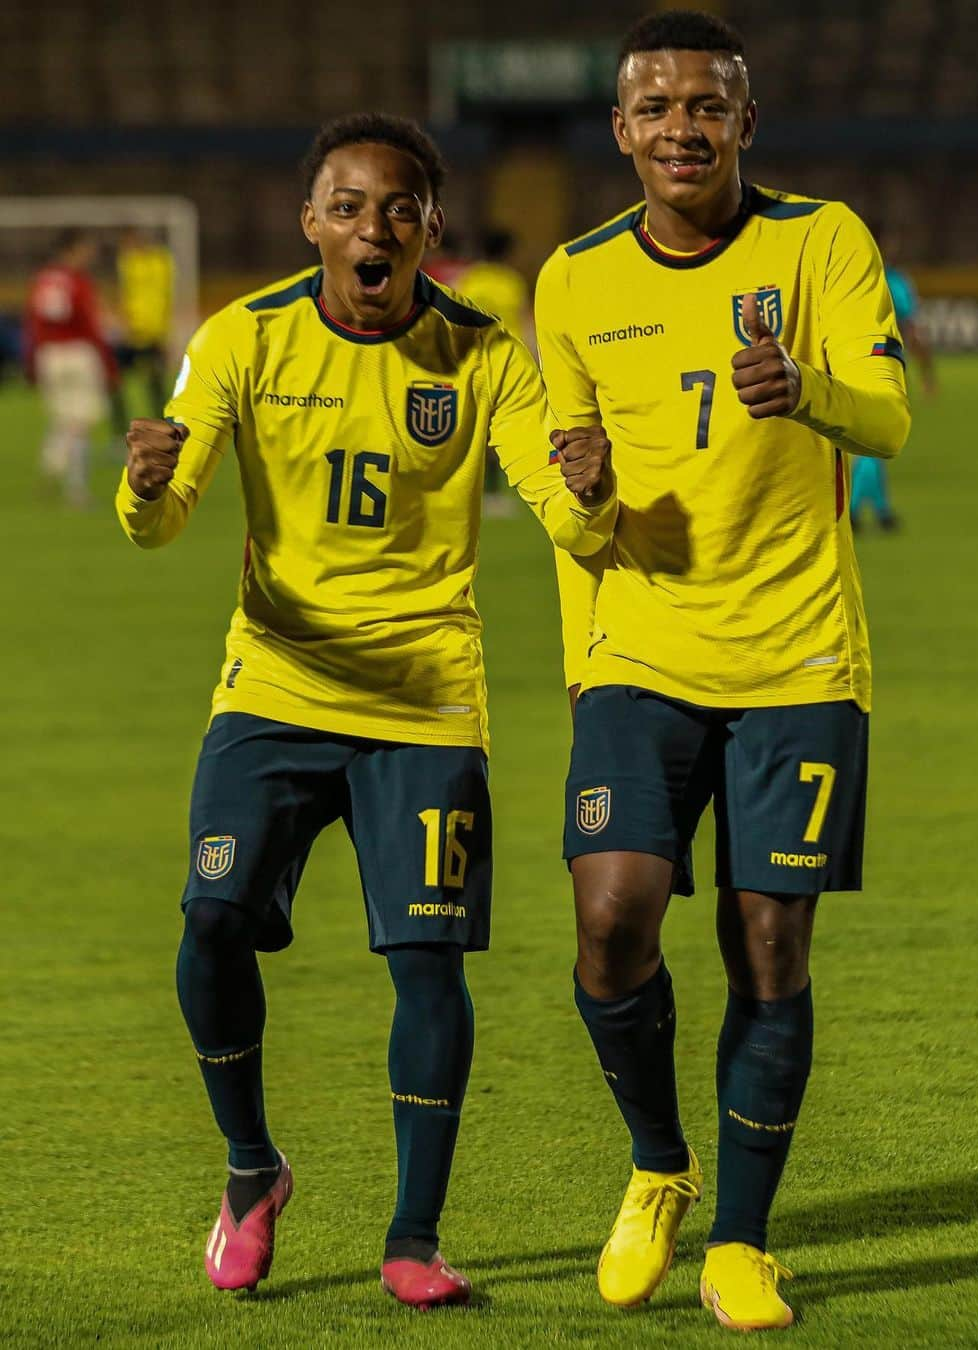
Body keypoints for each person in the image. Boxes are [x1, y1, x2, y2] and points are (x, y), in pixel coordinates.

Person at [115, 113, 614, 1309]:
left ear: (432, 227)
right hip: (275, 688)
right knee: (212, 929)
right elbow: (166, 511)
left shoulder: (484, 353)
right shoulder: (244, 336)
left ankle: (412, 1236)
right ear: (311, 223)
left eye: (398, 208)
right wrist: (142, 488)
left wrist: (589, 496)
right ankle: (250, 1171)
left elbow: (557, 507)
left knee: (428, 966)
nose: (372, 227)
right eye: (347, 206)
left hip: (426, 702)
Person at [534, 11, 909, 1332]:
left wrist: (807, 387)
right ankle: (657, 1162)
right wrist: (579, 511)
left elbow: (893, 416)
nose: (682, 127)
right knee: (610, 915)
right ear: (624, 129)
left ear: (746, 123)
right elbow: (571, 507)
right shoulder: (574, 279)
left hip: (799, 652)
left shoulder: (822, 243)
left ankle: (741, 1240)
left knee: (769, 938)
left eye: (709, 106)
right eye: (657, 107)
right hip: (638, 652)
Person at [24, 228, 117, 507]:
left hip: (49, 354)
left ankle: (51, 466)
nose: (90, 255)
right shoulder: (79, 282)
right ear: (72, 250)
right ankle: (76, 487)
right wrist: (108, 364)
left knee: (65, 417)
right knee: (81, 421)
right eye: (86, 249)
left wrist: (31, 360)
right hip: (78, 353)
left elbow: (33, 323)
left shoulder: (42, 280)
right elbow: (90, 325)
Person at [851, 228, 936, 530]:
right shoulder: (896, 283)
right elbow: (912, 330)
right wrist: (928, 374)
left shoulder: (847, 276)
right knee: (874, 441)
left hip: (849, 365)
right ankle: (853, 509)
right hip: (883, 369)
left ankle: (882, 510)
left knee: (872, 442)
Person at [457, 230, 532, 518]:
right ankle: (494, 493)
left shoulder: (470, 279)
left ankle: (476, 491)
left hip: (475, 361)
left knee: (476, 428)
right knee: (505, 428)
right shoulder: (511, 282)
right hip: (509, 364)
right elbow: (524, 323)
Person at [114, 225, 174, 419]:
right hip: (130, 333)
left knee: (155, 384)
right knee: (114, 382)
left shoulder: (161, 262)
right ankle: (119, 429)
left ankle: (164, 426)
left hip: (153, 334)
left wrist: (166, 334)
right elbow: (124, 295)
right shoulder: (126, 262)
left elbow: (165, 298)